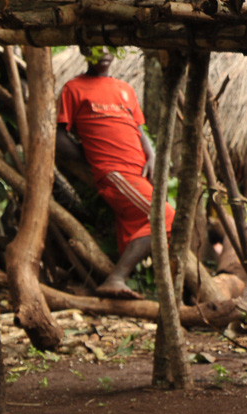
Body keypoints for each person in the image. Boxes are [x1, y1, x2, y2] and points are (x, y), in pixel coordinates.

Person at [55, 50, 175, 299]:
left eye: (110, 47)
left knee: (140, 228)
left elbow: (138, 129)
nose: (105, 53)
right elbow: (59, 135)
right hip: (115, 173)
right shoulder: (74, 88)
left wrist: (151, 155)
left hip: (138, 174)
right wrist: (90, 157)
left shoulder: (125, 88)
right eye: (98, 47)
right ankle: (116, 278)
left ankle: (148, 290)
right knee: (165, 216)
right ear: (85, 51)